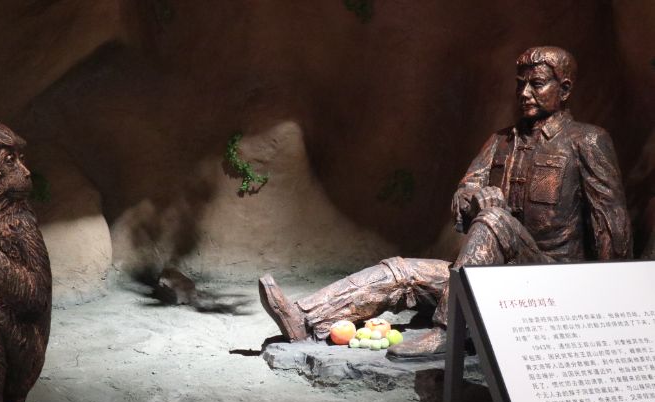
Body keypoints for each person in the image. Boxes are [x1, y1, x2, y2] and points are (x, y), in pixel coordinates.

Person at [259, 46, 631, 357]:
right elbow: (461, 197)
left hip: (551, 284)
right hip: (485, 281)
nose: (524, 93)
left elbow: (612, 226)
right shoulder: (502, 141)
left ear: (564, 89)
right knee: (403, 273)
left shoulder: (587, 142)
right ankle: (306, 317)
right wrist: (473, 199)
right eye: (520, 84)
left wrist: (609, 309)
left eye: (536, 84)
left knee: (495, 220)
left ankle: (447, 332)